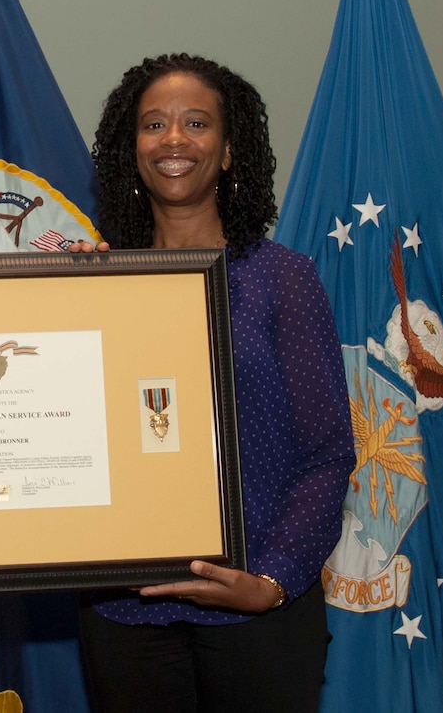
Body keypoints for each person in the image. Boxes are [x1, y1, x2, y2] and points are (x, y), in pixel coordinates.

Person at [75, 54, 354, 712]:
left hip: (257, 612)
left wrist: (272, 580)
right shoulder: (88, 284)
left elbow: (327, 453)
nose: (173, 140)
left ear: (228, 152)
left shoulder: (283, 278)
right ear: (130, 151)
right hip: (123, 611)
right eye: (153, 126)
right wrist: (67, 305)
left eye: (195, 123)